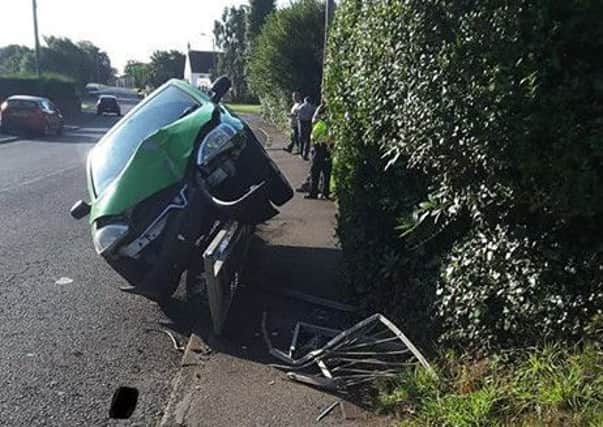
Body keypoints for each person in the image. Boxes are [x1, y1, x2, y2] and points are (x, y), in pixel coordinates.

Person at [305, 104, 333, 199]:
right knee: (326, 172)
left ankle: (313, 192)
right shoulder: (330, 123)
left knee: (315, 172)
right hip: (328, 150)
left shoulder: (321, 124)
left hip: (320, 149)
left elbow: (314, 136)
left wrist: (316, 141)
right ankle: (325, 192)